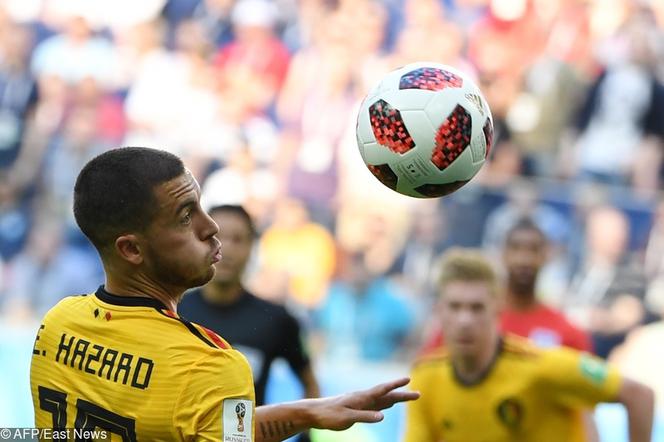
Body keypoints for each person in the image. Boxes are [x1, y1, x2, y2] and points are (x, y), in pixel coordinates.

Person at [30, 147, 418, 442]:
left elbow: (199, 421)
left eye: (200, 206)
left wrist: (305, 412)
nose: (211, 227)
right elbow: (228, 427)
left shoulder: (58, 323)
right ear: (131, 249)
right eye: (186, 216)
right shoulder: (210, 364)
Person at [404, 248, 654, 442]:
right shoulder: (426, 378)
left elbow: (639, 395)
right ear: (438, 311)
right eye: (455, 307)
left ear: (497, 310)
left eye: (476, 308)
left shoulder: (542, 367)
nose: (465, 320)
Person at [178, 204, 320, 407]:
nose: (225, 249)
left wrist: (304, 434)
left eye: (237, 239)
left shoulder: (276, 319)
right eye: (215, 237)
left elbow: (310, 384)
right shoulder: (175, 312)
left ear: (253, 247)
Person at [423, 218, 591, 352]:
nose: (524, 259)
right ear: (502, 254)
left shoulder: (568, 332)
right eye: (515, 248)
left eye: (533, 250)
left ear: (547, 256)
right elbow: (427, 373)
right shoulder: (468, 321)